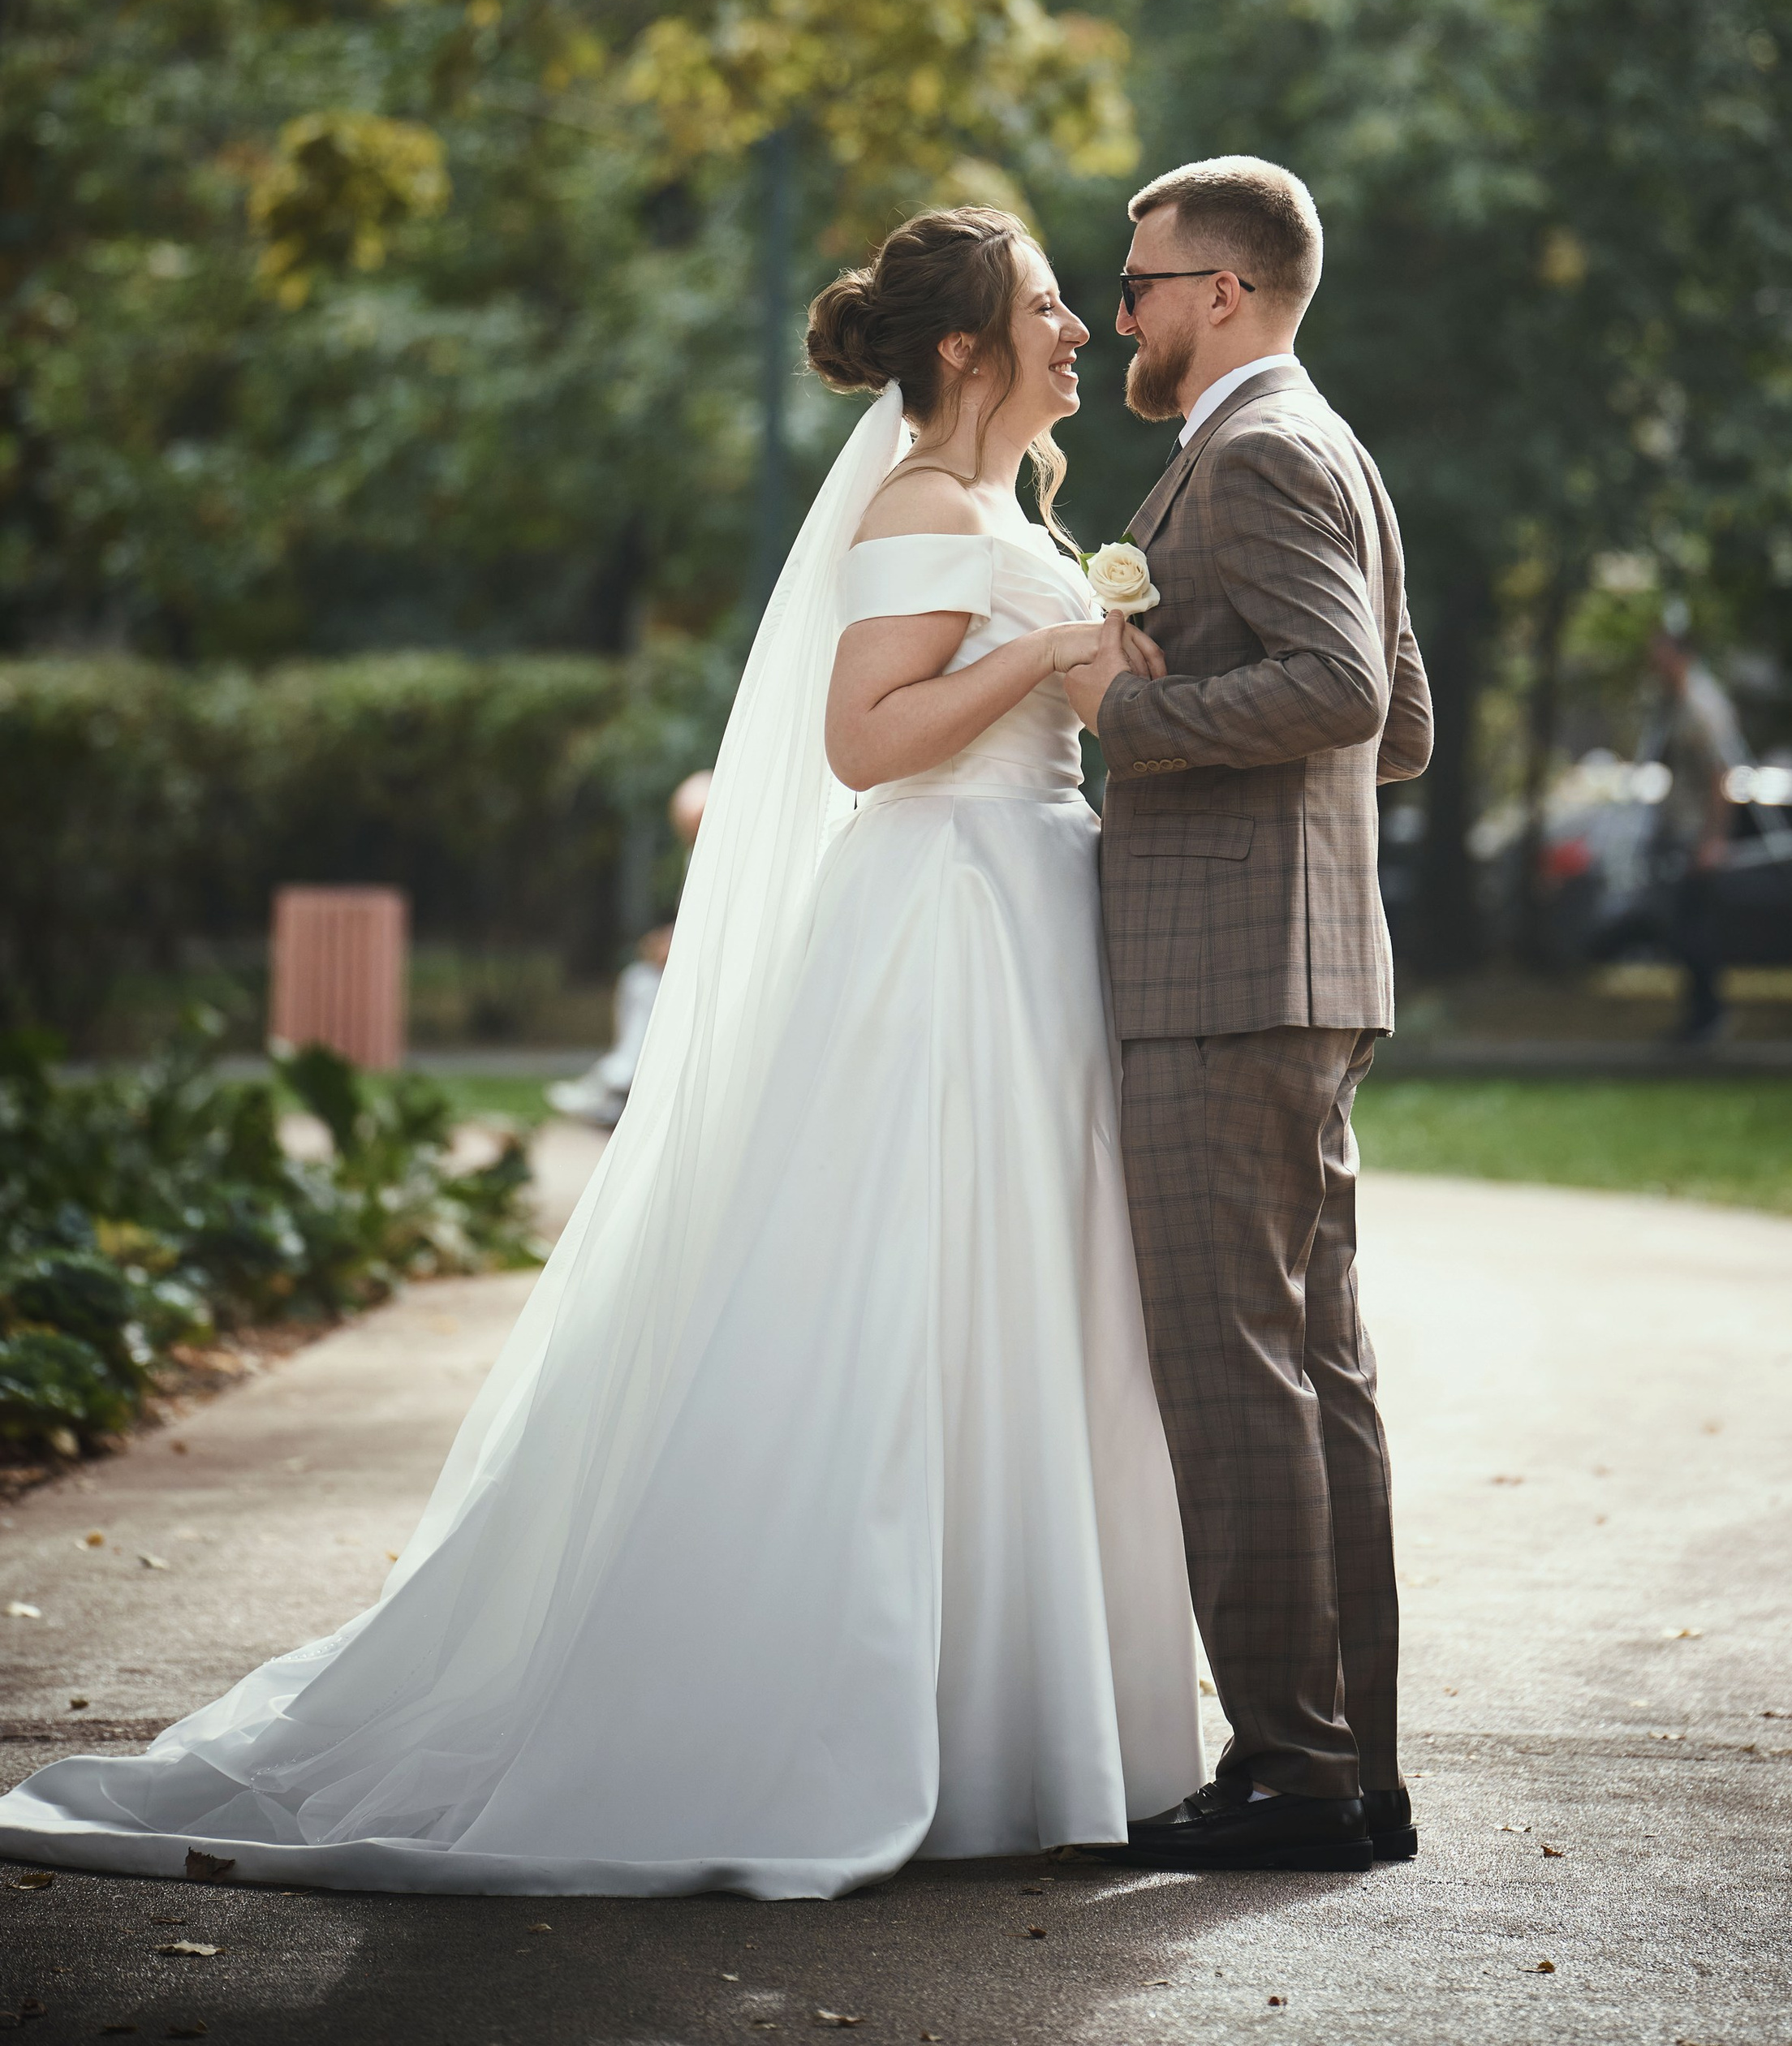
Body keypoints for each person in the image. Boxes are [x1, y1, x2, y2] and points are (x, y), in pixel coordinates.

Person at [0, 208, 1202, 1897]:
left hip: (1026, 909)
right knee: (909, 1300)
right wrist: (1043, 647)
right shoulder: (924, 500)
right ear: (962, 349)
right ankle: (896, 1720)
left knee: (1022, 1298)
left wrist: (1112, 665)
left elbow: (1039, 706)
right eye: (1046, 304)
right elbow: (863, 740)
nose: (1078, 324)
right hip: (942, 926)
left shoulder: (1005, 507)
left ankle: (1008, 1720)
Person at [1056, 155, 1433, 1878]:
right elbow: (1399, 724)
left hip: (1227, 981)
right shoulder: (1328, 440)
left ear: (1221, 288)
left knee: (1234, 1381)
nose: (1116, 305)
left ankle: (1290, 1766)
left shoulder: (1261, 446)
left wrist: (1134, 711)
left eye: (1134, 280)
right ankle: (1350, 1768)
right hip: (1302, 968)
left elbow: (1347, 691)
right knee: (1313, 1377)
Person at [549, 773, 712, 1131]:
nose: (693, 836)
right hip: (696, 966)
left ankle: (619, 1082)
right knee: (640, 980)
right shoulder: (696, 854)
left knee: (645, 987)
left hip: (717, 972)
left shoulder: (732, 850)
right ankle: (619, 1081)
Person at [1642, 615, 1747, 1048]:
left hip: (1696, 837)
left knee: (1694, 930)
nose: (1654, 661)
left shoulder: (1704, 706)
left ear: (1680, 654)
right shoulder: (1675, 702)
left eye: (1661, 651)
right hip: (1680, 832)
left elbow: (1722, 775)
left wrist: (1713, 840)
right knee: (1683, 929)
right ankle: (1698, 1019)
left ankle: (1709, 1020)